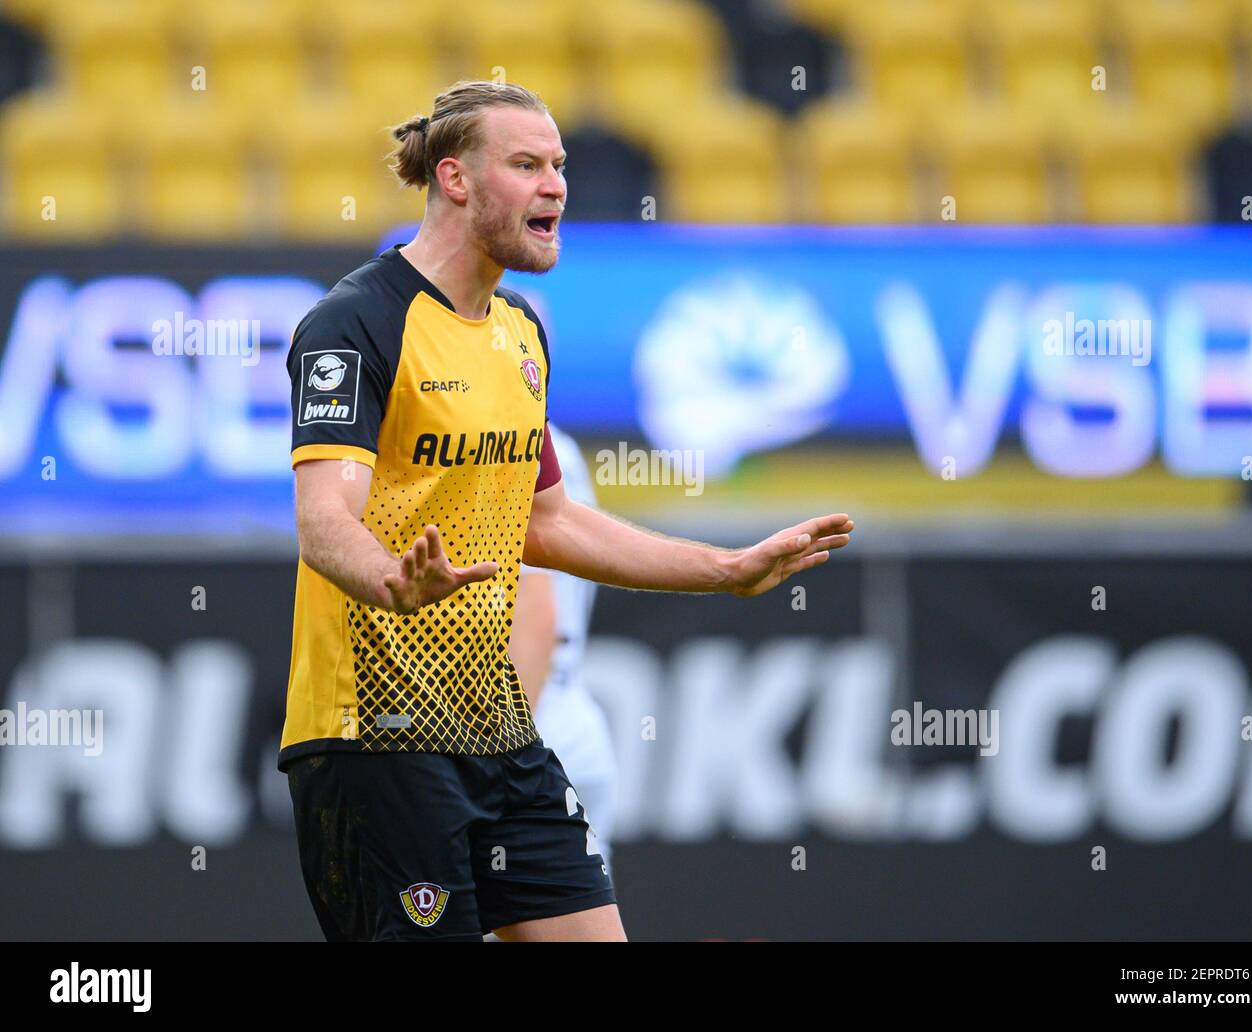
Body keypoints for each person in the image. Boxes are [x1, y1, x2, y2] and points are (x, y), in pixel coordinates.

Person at [279, 79, 854, 942]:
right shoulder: (356, 323)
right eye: (526, 165)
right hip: (377, 735)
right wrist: (391, 579)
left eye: (558, 165)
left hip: (500, 730)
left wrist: (725, 571)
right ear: (456, 179)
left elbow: (548, 522)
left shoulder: (519, 332)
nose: (556, 185)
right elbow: (325, 519)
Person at [510, 425, 616, 867]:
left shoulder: (496, 436)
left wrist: (505, 760)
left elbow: (535, 617)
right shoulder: (558, 445)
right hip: (566, 719)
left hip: (525, 728)